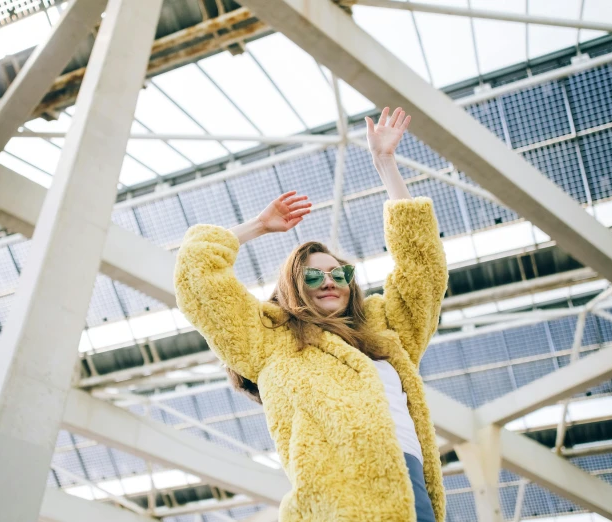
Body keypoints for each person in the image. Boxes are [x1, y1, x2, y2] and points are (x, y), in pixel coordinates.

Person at [174, 107, 448, 522]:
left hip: (412, 493)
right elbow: (198, 276)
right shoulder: (268, 338)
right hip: (332, 503)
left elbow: (423, 270)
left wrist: (385, 164)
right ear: (293, 287)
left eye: (339, 273)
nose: (329, 282)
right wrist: (258, 227)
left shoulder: (386, 329)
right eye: (313, 276)